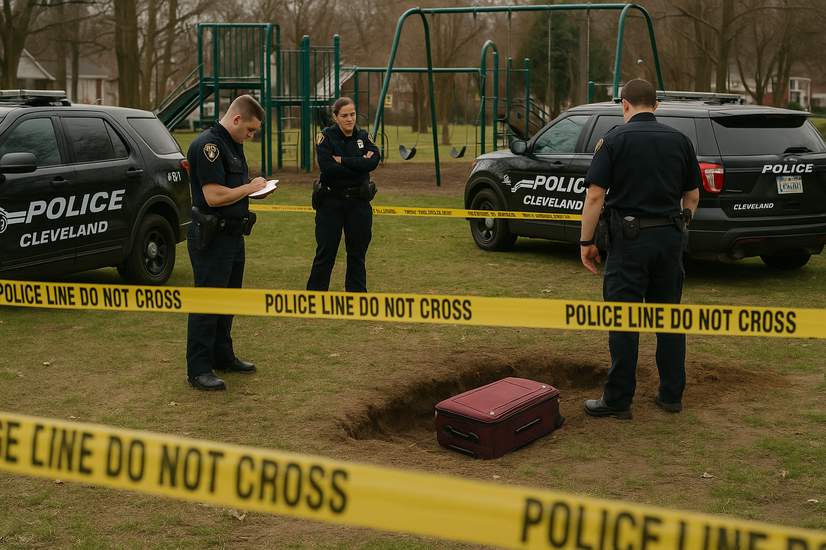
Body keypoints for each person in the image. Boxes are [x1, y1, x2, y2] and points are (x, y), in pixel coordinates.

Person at [579, 78, 700, 419]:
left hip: (629, 243)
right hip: (670, 240)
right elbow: (692, 197)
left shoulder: (615, 139)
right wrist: (680, 224)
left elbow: (595, 196)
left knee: (623, 321)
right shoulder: (680, 140)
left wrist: (586, 242)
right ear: (656, 105)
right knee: (670, 320)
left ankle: (618, 401)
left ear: (625, 105)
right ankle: (671, 395)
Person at [186, 94, 275, 391]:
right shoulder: (209, 146)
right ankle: (198, 369)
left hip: (233, 235)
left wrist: (254, 191)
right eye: (250, 130)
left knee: (229, 300)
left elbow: (234, 188)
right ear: (236, 119)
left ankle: (223, 355)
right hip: (212, 238)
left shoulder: (232, 144)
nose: (251, 136)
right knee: (207, 303)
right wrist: (249, 188)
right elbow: (213, 196)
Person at [306, 97, 380, 292]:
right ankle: (314, 297)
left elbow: (373, 162)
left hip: (359, 203)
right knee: (325, 253)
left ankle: (356, 297)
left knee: (357, 253)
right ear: (335, 117)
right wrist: (358, 163)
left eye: (352, 114)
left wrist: (343, 160)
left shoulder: (364, 137)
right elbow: (329, 169)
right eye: (344, 115)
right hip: (331, 203)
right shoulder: (326, 138)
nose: (349, 119)